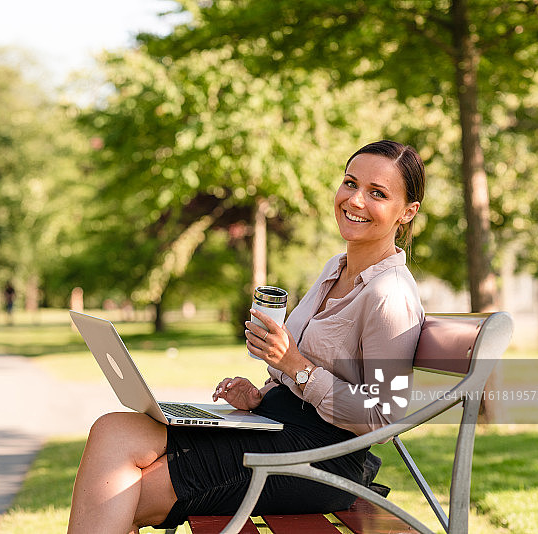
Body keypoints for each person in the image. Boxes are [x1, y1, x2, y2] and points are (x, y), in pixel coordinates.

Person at [67, 140, 426, 534]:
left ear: (407, 213)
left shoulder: (389, 294)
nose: (355, 200)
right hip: (273, 425)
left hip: (320, 456)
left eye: (377, 193)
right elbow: (306, 370)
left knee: (125, 494)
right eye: (350, 183)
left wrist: (294, 367)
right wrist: (262, 392)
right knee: (113, 429)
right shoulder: (334, 269)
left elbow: (382, 418)